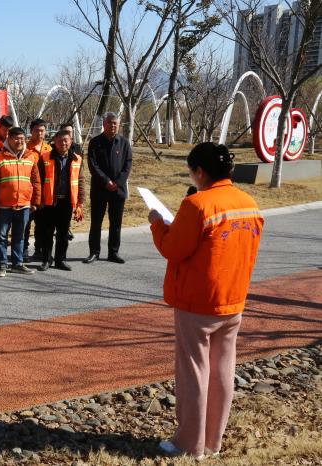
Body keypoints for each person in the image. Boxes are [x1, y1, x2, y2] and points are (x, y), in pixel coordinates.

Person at [149, 142, 263, 460]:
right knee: (222, 369)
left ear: (199, 171)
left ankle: (189, 443)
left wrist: (157, 222)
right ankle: (213, 441)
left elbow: (173, 248)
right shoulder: (249, 203)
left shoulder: (198, 205)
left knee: (193, 372)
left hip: (198, 302)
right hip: (233, 299)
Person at [0, 126, 40, 277]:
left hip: (24, 205)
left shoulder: (31, 157)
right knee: (1, 236)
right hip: (4, 206)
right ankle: (2, 264)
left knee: (19, 236)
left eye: (22, 139)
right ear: (9, 139)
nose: (19, 141)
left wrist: (35, 202)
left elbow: (36, 181)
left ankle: (17, 263)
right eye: (16, 138)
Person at [84, 112, 132, 264]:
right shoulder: (95, 142)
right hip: (99, 189)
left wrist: (117, 182)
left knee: (116, 224)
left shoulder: (124, 143)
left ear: (118, 125)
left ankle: (113, 252)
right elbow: (93, 165)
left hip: (118, 190)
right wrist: (106, 181)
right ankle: (94, 252)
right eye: (110, 122)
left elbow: (128, 164)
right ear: (104, 124)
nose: (113, 125)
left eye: (115, 123)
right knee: (96, 223)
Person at [35, 129, 85, 272]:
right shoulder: (45, 157)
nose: (63, 143)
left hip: (67, 202)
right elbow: (38, 181)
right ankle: (46, 260)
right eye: (60, 140)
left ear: (71, 142)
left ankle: (60, 260)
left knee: (63, 234)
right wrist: (39, 200)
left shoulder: (77, 159)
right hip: (49, 202)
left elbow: (81, 181)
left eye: (66, 140)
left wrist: (80, 202)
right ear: (55, 142)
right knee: (47, 233)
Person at [26, 118, 53, 262]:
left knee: (42, 224)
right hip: (28, 192)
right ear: (31, 131)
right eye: (37, 130)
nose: (40, 133)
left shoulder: (50, 149)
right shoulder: (24, 148)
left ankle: (39, 249)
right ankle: (23, 250)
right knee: (25, 224)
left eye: (42, 131)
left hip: (45, 192)